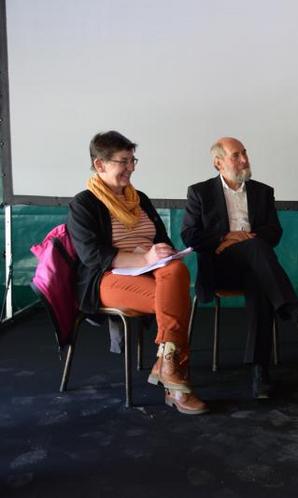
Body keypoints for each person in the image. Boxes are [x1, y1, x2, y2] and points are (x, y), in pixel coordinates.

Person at [181, 137, 298, 399]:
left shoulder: (263, 192)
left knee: (259, 276)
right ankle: (297, 313)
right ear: (218, 163)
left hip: (255, 266)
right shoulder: (200, 192)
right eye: (236, 156)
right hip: (220, 268)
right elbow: (190, 235)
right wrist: (226, 238)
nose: (244, 160)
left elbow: (274, 232)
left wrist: (242, 237)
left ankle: (259, 370)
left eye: (245, 153)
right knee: (257, 248)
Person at [67, 131, 207, 415]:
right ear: (100, 165)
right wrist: (142, 256)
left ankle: (168, 366)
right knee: (175, 300)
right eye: (124, 161)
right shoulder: (84, 204)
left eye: (133, 160)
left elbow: (162, 238)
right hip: (105, 279)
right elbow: (92, 255)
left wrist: (159, 251)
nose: (131, 167)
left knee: (176, 269)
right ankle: (173, 381)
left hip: (149, 271)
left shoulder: (138, 198)